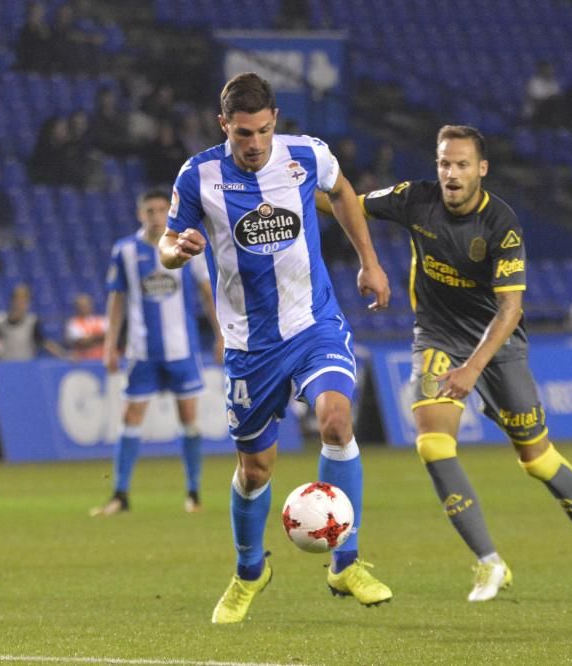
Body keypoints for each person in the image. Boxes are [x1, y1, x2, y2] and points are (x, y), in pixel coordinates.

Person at [318, 125, 572, 602]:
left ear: (481, 169)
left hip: (497, 345)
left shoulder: (501, 224)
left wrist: (471, 369)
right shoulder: (414, 199)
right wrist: (290, 190)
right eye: (444, 163)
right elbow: (347, 202)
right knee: (433, 445)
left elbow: (511, 310)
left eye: (462, 164)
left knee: (537, 459)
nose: (451, 173)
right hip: (438, 336)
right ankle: (490, 563)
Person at [159, 72, 393, 623]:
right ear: (225, 126)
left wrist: (369, 261)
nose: (256, 143)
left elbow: (343, 193)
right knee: (256, 470)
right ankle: (249, 571)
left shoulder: (306, 155)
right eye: (244, 133)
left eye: (264, 130)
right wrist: (178, 251)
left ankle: (345, 562)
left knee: (337, 422)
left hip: (314, 325)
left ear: (275, 122)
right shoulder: (199, 176)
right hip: (249, 345)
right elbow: (168, 245)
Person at [91, 189, 224, 517]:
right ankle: (120, 495)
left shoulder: (184, 247)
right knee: (130, 418)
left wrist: (222, 334)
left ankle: (193, 493)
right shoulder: (125, 251)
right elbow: (117, 299)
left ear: (169, 212)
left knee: (189, 419)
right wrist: (110, 344)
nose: (155, 215)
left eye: (161, 209)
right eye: (149, 210)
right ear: (140, 214)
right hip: (142, 351)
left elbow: (208, 293)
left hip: (182, 349)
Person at [64, 293, 106, 361]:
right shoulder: (73, 323)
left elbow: (109, 337)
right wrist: (98, 337)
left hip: (102, 358)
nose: (85, 307)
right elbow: (81, 342)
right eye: (82, 306)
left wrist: (90, 337)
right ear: (77, 307)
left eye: (87, 304)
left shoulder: (101, 320)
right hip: (84, 360)